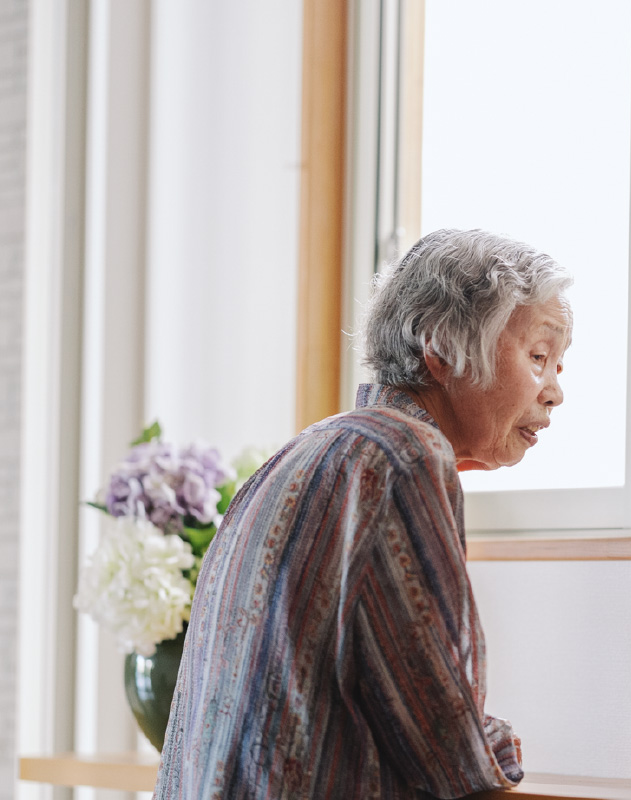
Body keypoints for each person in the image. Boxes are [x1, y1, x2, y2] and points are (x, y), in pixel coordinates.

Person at [155, 229, 572, 798]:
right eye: (538, 357)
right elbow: (447, 749)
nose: (554, 392)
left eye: (558, 367)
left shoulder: (306, 450)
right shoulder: (405, 455)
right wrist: (501, 743)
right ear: (442, 348)